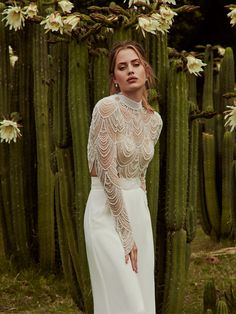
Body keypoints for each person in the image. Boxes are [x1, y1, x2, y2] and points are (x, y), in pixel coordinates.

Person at [84, 40, 163, 314]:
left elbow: (141, 176)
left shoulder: (155, 121)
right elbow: (107, 175)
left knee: (142, 299)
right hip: (105, 212)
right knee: (127, 303)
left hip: (138, 210)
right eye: (122, 67)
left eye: (135, 64)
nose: (130, 70)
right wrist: (126, 234)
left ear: (146, 71)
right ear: (114, 79)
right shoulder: (106, 108)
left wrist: (138, 222)